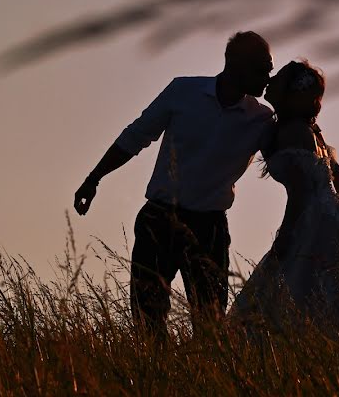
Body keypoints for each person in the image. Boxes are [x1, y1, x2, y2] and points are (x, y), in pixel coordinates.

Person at [73, 31, 275, 336]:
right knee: (147, 319)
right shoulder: (183, 91)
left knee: (210, 324)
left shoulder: (262, 119)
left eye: (269, 70)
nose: (267, 78)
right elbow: (136, 135)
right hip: (160, 219)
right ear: (233, 64)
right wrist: (94, 178)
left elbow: (294, 149)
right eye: (261, 70)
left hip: (209, 229)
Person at [230, 60, 339, 338]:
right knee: (327, 296)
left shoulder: (293, 133)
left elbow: (301, 193)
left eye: (280, 78)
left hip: (312, 220)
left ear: (292, 92)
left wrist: (285, 237)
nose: (271, 80)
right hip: (332, 219)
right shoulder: (308, 130)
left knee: (294, 289)